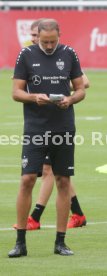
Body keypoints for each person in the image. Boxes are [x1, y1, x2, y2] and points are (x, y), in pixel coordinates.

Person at [8, 18, 85, 258]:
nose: (49, 46)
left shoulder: (69, 53)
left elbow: (80, 88)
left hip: (63, 127)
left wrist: (70, 99)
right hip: (35, 129)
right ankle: (20, 242)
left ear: (59, 35)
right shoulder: (26, 55)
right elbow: (16, 92)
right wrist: (35, 97)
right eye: (45, 41)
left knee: (63, 181)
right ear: (37, 37)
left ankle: (60, 242)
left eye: (53, 41)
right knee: (27, 179)